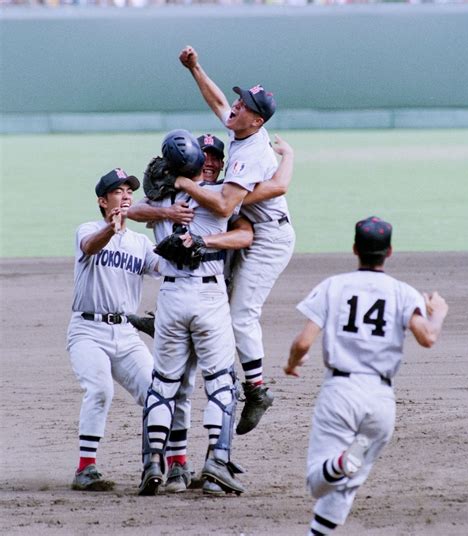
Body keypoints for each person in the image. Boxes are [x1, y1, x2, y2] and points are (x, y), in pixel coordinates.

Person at [284, 216, 448, 535]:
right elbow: (427, 337)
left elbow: (303, 341)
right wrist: (438, 313)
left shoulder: (334, 286)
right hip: (381, 400)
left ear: (355, 248)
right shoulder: (404, 292)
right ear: (389, 252)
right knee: (345, 488)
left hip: (340, 393)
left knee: (320, 482)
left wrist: (292, 364)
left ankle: (339, 464)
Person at [127, 129, 254, 497]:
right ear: (201, 162)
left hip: (170, 297)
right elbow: (239, 223)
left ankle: (153, 461)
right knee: (220, 382)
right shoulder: (218, 196)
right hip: (207, 297)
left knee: (163, 385)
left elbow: (132, 209)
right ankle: (216, 462)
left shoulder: (163, 196)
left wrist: (167, 204)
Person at [178, 45, 296, 436]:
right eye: (237, 100)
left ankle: (258, 390)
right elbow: (216, 99)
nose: (234, 106)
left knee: (242, 312)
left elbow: (227, 202)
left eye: (242, 105)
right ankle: (167, 321)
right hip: (251, 227)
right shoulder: (239, 127)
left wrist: (183, 184)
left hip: (269, 238)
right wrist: (196, 68)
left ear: (257, 120)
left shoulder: (251, 154)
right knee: (216, 295)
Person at [67, 168, 162, 491]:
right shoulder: (88, 229)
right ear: (102, 200)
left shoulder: (140, 242)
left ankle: (164, 464)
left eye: (129, 191)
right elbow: (91, 246)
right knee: (99, 390)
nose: (125, 195)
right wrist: (111, 229)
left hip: (126, 333)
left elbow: (166, 269)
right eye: (118, 191)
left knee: (157, 393)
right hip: (87, 331)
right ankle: (85, 468)